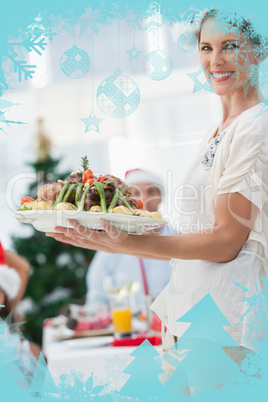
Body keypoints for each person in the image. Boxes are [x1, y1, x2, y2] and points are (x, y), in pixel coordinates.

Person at [47, 9, 268, 372]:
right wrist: (98, 239)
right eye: (206, 47)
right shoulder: (220, 129)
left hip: (227, 321)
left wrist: (127, 244)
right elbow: (200, 238)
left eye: (230, 46)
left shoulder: (256, 128)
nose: (216, 60)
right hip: (197, 315)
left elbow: (226, 241)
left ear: (259, 51)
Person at [85, 169, 173, 313]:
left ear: (161, 196)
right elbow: (96, 301)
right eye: (136, 193)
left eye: (151, 191)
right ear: (125, 200)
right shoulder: (110, 245)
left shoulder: (179, 238)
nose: (144, 199)